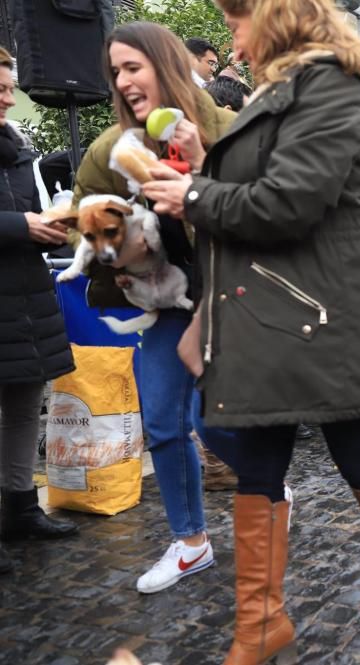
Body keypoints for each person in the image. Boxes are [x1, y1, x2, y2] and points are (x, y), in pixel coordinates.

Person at [141, 0, 360, 658]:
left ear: (276, 15)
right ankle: (260, 620)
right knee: (260, 456)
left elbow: (288, 201)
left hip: (325, 311)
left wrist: (192, 195)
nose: (232, 33)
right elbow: (264, 182)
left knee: (353, 446)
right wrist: (202, 157)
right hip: (272, 306)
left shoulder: (335, 83)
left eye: (238, 17)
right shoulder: (286, 88)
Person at [73, 22, 235, 594]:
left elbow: (262, 210)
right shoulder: (106, 151)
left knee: (218, 420)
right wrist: (114, 254)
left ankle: (265, 487)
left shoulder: (224, 128)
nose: (122, 80)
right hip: (161, 301)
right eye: (115, 71)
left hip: (227, 294)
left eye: (132, 67)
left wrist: (197, 181)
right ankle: (191, 542)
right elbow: (82, 225)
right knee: (164, 423)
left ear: (165, 66)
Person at [0, 47, 79, 575]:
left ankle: (20, 509)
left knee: (26, 406)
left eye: (9, 86)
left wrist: (53, 223)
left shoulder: (17, 146)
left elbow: (26, 213)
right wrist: (21, 226)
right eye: (1, 88)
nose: (9, 96)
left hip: (25, 292)